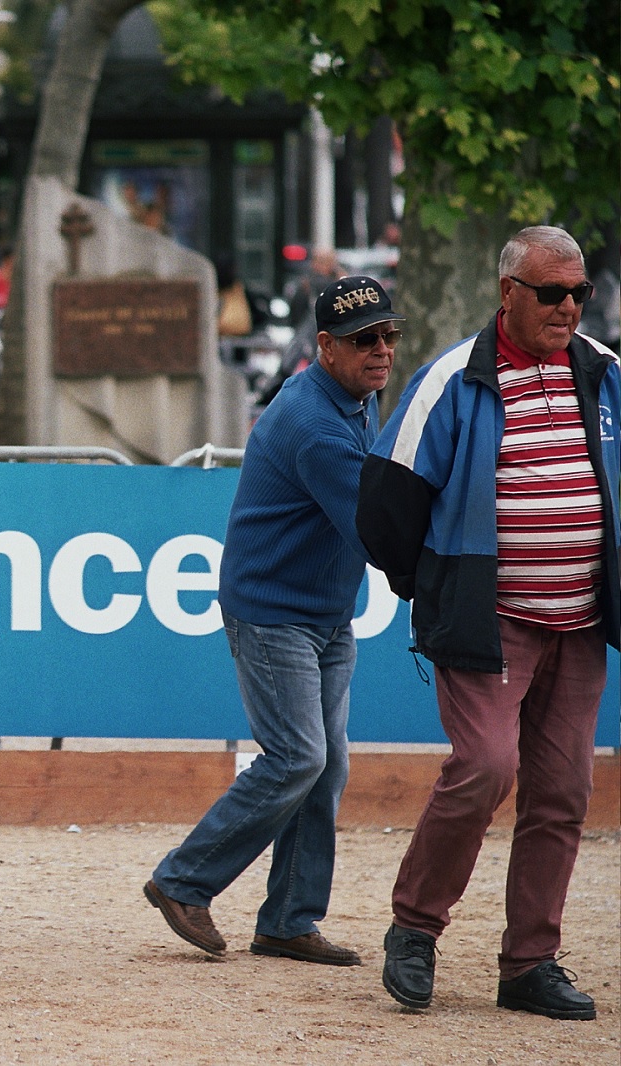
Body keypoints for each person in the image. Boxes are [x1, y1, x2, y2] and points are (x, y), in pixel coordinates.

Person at [358, 225, 619, 1020]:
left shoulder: (606, 373)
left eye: (580, 292)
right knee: (484, 768)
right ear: (509, 294)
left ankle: (528, 964)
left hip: (578, 622)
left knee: (564, 791)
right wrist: (433, 586)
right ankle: (414, 928)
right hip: (489, 619)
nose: (569, 307)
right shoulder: (450, 380)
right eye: (552, 293)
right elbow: (386, 505)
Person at [144, 275, 403, 966]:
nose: (381, 351)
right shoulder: (316, 425)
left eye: (387, 335)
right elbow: (376, 535)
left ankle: (288, 918)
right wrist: (447, 576)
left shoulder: (351, 393)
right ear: (324, 346)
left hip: (322, 610)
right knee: (299, 757)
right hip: (273, 612)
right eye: (363, 341)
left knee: (326, 765)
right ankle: (182, 880)